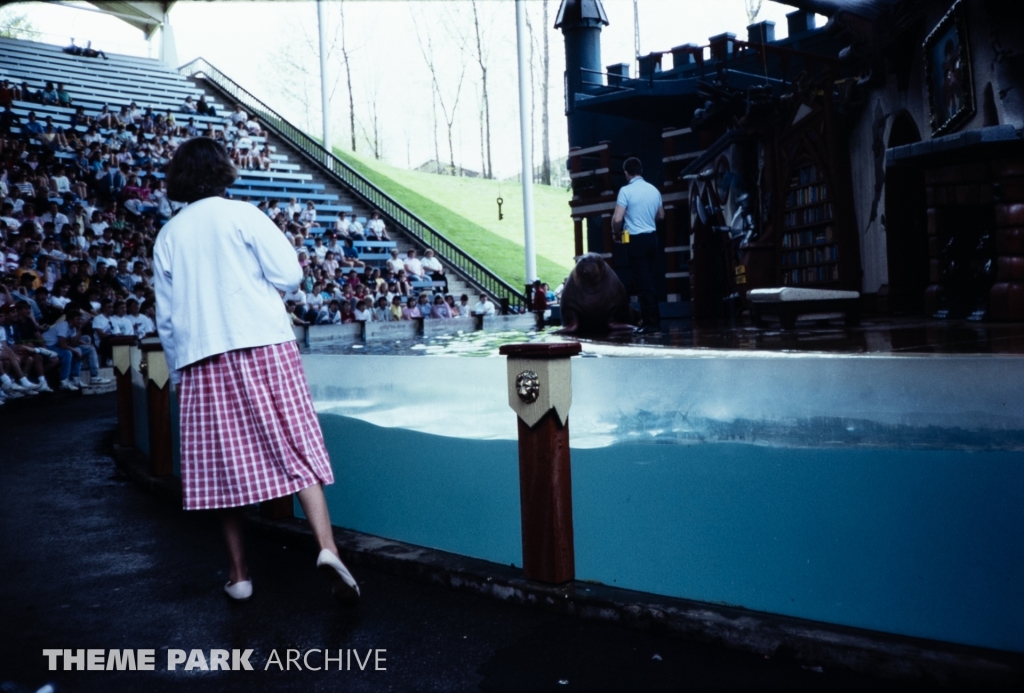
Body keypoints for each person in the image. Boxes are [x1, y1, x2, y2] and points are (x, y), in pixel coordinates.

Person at [152, 137, 359, 603]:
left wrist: (179, 371)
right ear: (223, 170)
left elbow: (166, 319)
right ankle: (327, 548)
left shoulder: (169, 235)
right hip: (264, 343)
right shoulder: (244, 214)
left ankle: (239, 574)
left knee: (221, 466)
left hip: (202, 356)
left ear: (179, 178)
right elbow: (290, 275)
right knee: (295, 441)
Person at [611, 156, 664, 332]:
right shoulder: (654, 190)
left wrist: (616, 232)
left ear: (626, 173)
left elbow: (618, 218)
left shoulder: (626, 191)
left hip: (635, 240)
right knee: (647, 279)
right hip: (652, 239)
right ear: (640, 171)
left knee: (642, 284)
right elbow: (661, 216)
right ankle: (648, 320)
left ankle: (652, 323)